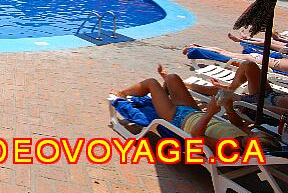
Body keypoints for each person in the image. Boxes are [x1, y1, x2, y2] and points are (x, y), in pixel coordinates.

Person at [111, 65, 281, 153]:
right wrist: (229, 109)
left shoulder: (230, 147)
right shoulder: (244, 138)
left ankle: (122, 94)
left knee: (151, 83)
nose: (249, 134)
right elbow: (239, 125)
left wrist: (210, 113)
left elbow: (196, 137)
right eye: (253, 134)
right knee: (172, 78)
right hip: (193, 112)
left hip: (178, 119)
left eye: (252, 137)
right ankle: (162, 96)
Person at [184, 60, 288, 115]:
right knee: (249, 65)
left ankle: (183, 84)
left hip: (263, 105)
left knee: (220, 92)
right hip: (271, 95)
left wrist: (256, 106)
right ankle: (230, 87)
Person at [183, 43, 288, 72]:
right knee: (225, 54)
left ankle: (199, 47)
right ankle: (197, 49)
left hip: (258, 59)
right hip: (257, 60)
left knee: (224, 53)